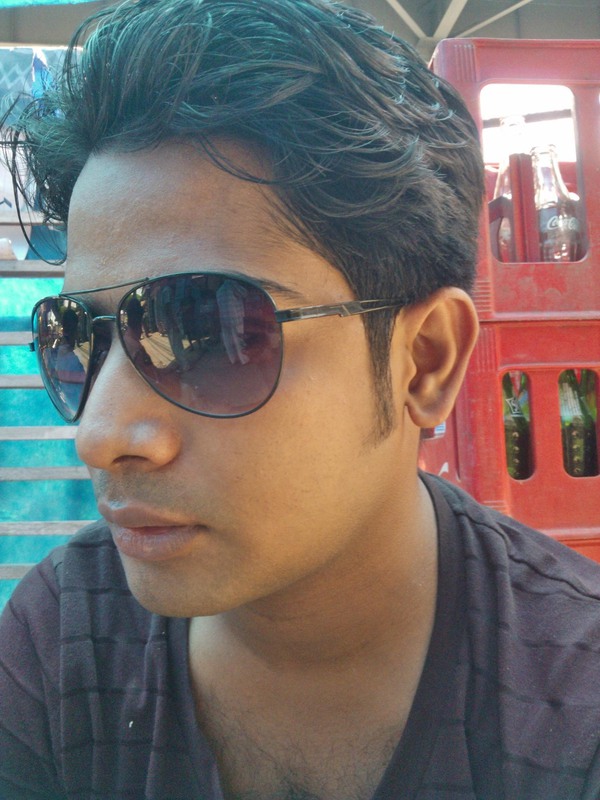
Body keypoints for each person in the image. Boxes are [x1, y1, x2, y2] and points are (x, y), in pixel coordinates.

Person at [1, 0, 599, 797]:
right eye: (75, 335)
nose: (99, 434)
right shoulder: (59, 645)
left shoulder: (573, 707)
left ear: (425, 362)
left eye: (205, 330)